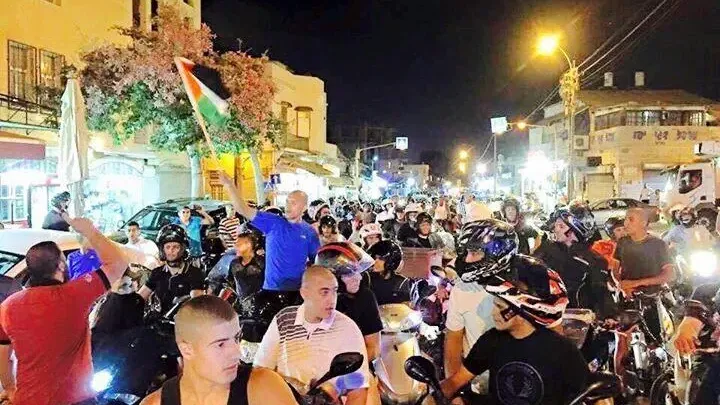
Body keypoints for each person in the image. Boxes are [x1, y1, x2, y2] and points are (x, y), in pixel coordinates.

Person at [0, 215, 129, 405]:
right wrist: (89, 231)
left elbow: (3, 355)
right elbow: (118, 263)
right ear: (61, 265)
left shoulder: (8, 306)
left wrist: (10, 387)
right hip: (75, 399)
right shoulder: (75, 294)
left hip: (29, 399)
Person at [441, 245, 589, 405]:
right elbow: (455, 381)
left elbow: (593, 394)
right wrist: (433, 394)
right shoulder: (491, 341)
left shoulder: (562, 350)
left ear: (524, 309)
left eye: (500, 307)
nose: (493, 313)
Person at [140, 295, 297, 405]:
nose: (236, 353)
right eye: (220, 344)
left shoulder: (262, 387)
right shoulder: (156, 403)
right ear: (187, 350)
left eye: (236, 338)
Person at [254, 266, 371, 405]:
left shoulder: (347, 328)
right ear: (304, 293)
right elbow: (261, 369)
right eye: (324, 292)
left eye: (334, 291)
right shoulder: (284, 320)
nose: (332, 300)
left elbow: (358, 390)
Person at [219, 172, 320, 293]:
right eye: (287, 201)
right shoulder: (273, 222)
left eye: (293, 203)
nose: (288, 206)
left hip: (297, 292)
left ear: (304, 208)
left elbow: (317, 261)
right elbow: (243, 209)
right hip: (271, 291)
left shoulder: (309, 232)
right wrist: (230, 186)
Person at [443, 220, 501, 404]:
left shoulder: (523, 289)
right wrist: (455, 393)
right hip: (476, 384)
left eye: (474, 253)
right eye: (467, 252)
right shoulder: (461, 289)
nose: (468, 259)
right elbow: (453, 344)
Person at [533, 204, 615, 318]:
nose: (555, 229)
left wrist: (610, 317)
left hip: (575, 321)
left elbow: (602, 297)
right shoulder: (547, 250)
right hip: (542, 316)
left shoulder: (594, 261)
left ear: (573, 232)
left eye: (561, 226)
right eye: (556, 225)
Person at [315, 242, 383, 365]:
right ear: (333, 278)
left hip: (356, 366)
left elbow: (373, 348)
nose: (359, 278)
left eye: (357, 272)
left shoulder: (365, 297)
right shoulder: (312, 300)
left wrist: (343, 370)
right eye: (350, 273)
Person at [138, 224, 206, 314]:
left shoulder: (194, 273)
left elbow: (197, 305)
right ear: (162, 250)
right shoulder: (157, 273)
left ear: (183, 249)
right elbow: (139, 298)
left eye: (176, 247)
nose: (171, 250)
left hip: (182, 320)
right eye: (168, 247)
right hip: (156, 320)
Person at [366, 240, 413, 305]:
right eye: (375, 258)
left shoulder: (402, 283)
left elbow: (406, 306)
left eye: (381, 258)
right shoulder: (366, 280)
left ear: (392, 260)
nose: (375, 261)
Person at [228, 229, 265, 298]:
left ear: (249, 245)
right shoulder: (234, 263)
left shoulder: (262, 263)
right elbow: (230, 284)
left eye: (239, 244)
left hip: (260, 301)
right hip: (241, 302)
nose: (235, 246)